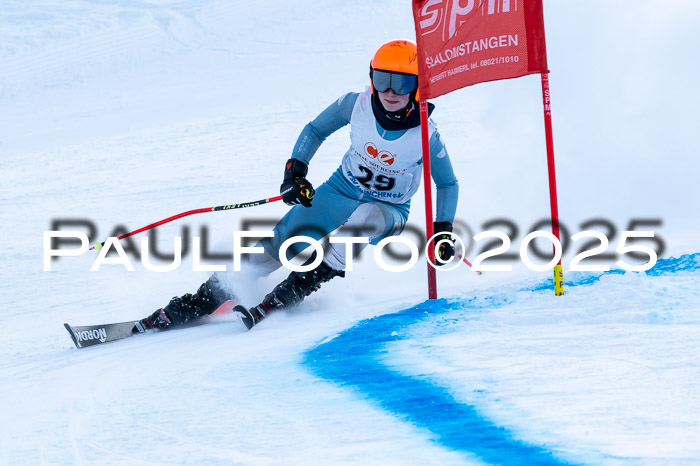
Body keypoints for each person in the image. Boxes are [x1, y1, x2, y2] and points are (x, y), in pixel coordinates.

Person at [136, 39, 459, 332]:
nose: (390, 92)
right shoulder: (355, 105)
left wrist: (443, 230)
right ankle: (203, 298)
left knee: (361, 222)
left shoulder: (425, 134)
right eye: (382, 79)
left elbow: (447, 183)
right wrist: (295, 173)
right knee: (281, 242)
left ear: (418, 87)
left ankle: (298, 286)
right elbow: (315, 130)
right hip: (340, 190)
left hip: (388, 209)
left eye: (401, 83)